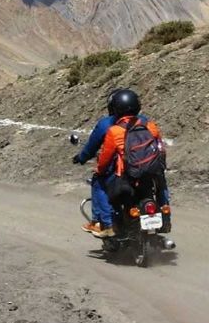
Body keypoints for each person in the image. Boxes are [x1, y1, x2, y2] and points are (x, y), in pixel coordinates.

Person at [73, 89, 170, 238]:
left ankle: (106, 225)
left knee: (98, 181)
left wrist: (98, 169)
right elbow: (160, 149)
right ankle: (165, 213)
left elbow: (103, 158)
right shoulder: (149, 125)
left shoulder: (113, 129)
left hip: (126, 175)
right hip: (151, 171)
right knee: (161, 181)